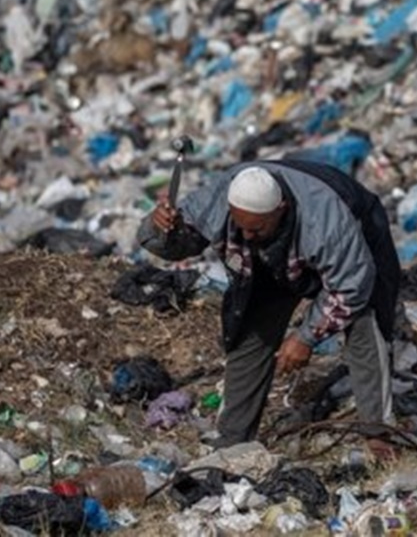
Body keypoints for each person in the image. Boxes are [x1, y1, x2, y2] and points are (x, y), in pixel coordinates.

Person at [137, 159, 402, 461]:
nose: (247, 235)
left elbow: (351, 287)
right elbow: (177, 246)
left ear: (281, 208)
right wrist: (160, 229)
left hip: (356, 244)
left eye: (257, 228)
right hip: (275, 261)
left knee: (365, 322)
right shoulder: (218, 201)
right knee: (250, 328)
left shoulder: (326, 223)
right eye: (241, 227)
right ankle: (232, 440)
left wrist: (306, 337)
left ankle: (378, 434)